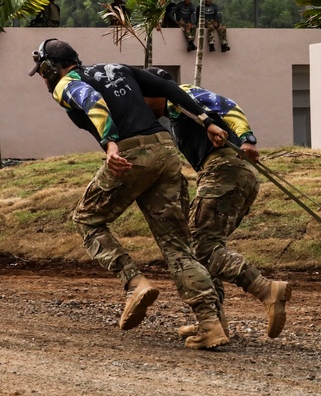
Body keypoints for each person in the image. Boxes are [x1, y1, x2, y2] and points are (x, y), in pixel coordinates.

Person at [28, 38, 230, 349]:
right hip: (165, 151)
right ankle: (210, 324)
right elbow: (170, 88)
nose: (42, 78)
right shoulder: (119, 68)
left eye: (42, 72)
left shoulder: (66, 83)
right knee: (177, 246)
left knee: (87, 219)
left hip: (130, 154)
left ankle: (133, 282)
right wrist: (206, 121)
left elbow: (93, 103)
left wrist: (109, 142)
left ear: (50, 68)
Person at [144, 67, 291, 338]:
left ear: (156, 91)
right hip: (230, 174)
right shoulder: (177, 113)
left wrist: (247, 138)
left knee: (201, 245)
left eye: (142, 96)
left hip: (224, 170)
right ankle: (214, 322)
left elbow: (226, 106)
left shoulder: (179, 98)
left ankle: (266, 290)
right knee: (203, 248)